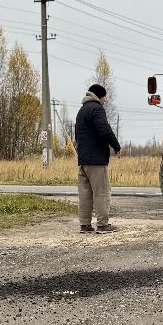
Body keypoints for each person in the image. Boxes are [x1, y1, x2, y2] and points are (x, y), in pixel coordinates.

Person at [74, 83, 121, 234]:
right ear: (99, 96)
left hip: (83, 160)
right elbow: (104, 130)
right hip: (96, 160)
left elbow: (77, 136)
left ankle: (85, 225)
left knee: (85, 194)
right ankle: (102, 224)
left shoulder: (81, 111)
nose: (105, 100)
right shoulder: (96, 109)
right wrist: (116, 146)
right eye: (104, 97)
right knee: (101, 192)